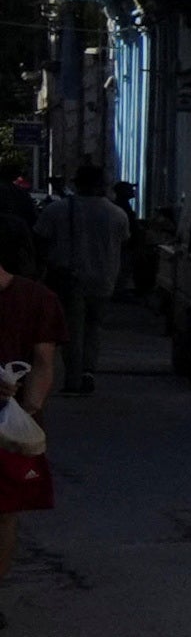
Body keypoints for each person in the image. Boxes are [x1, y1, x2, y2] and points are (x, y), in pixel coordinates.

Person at [0, 223, 63, 598]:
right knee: (4, 514)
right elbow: (44, 361)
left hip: (10, 423)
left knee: (5, 513)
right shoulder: (40, 299)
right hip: (12, 425)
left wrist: (25, 410)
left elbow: (43, 362)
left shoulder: (37, 300)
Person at [42, 182, 121, 395]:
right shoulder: (115, 213)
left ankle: (73, 379)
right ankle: (88, 371)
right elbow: (125, 239)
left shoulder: (58, 209)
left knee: (73, 331)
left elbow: (41, 236)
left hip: (70, 279)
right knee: (93, 327)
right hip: (104, 279)